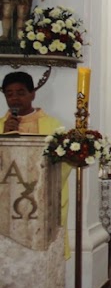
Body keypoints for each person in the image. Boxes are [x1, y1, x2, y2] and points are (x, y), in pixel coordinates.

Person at [0, 71, 70, 259]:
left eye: (21, 92)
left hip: (41, 199)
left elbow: (64, 166)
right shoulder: (1, 126)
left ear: (32, 94)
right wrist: (4, 135)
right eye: (9, 93)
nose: (14, 98)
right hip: (6, 202)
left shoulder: (53, 126)